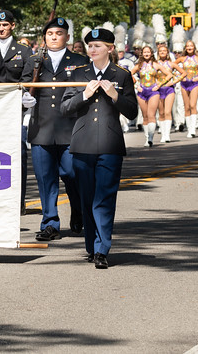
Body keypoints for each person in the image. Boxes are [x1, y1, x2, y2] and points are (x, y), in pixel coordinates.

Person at [62, 28, 138, 269]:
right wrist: (84, 94)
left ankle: (102, 248)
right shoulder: (78, 74)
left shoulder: (122, 75)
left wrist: (115, 95)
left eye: (98, 46)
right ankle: (91, 246)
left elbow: (133, 111)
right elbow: (65, 108)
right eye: (90, 46)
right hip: (82, 144)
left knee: (104, 198)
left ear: (110, 49)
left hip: (109, 144)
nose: (92, 50)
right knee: (86, 198)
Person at [23, 16, 89, 241]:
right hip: (41, 127)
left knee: (71, 173)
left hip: (69, 128)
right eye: (50, 34)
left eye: (59, 33)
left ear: (67, 37)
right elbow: (23, 86)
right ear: (44, 37)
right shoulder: (33, 60)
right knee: (45, 178)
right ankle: (50, 222)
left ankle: (78, 208)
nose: (54, 37)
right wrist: (24, 100)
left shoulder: (79, 61)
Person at [0, 10, 33, 212]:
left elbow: (26, 79)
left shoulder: (23, 51)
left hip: (14, 107)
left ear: (12, 26)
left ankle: (19, 199)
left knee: (18, 153)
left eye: (5, 25)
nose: (1, 29)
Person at [175, 40, 198, 138]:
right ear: (185, 48)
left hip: (194, 84)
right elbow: (171, 67)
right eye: (188, 46)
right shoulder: (181, 59)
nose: (189, 48)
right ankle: (189, 128)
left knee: (193, 105)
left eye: (191, 46)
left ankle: (192, 129)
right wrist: (179, 76)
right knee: (186, 106)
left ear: (194, 48)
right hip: (184, 84)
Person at [152, 42, 181, 143]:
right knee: (161, 112)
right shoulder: (155, 64)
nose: (162, 52)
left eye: (164, 51)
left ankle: (167, 135)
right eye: (161, 51)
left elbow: (183, 73)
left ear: (168, 53)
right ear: (158, 53)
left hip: (169, 90)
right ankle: (163, 134)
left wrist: (173, 82)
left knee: (168, 112)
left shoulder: (172, 64)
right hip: (158, 90)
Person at [131, 45, 160, 146]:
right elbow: (129, 74)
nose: (147, 54)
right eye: (145, 52)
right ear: (142, 54)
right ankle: (147, 138)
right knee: (145, 116)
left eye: (148, 52)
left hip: (153, 92)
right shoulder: (139, 65)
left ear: (151, 53)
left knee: (151, 115)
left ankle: (151, 138)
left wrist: (159, 84)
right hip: (142, 92)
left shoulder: (156, 65)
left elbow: (169, 75)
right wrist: (136, 85)